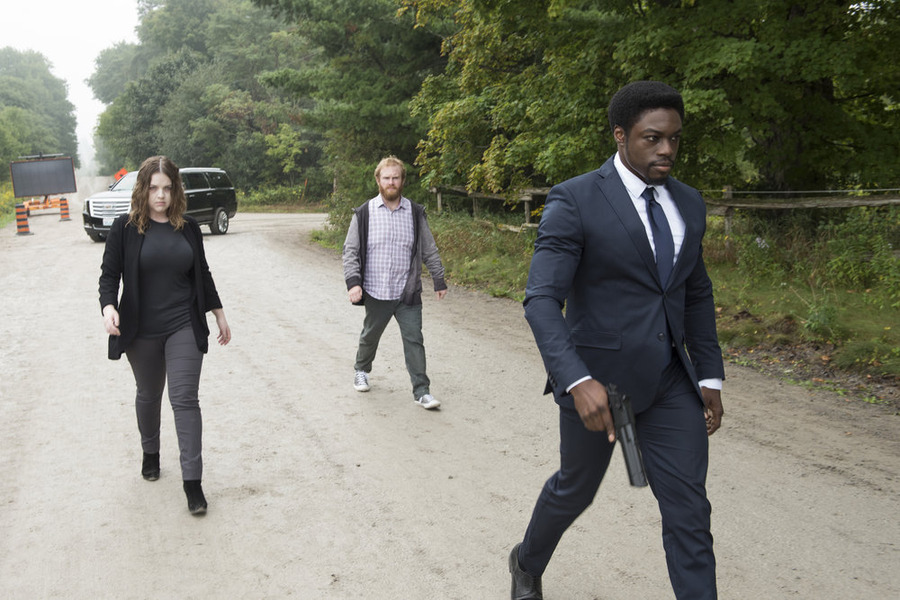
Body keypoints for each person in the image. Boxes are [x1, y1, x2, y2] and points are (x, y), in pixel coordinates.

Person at [508, 81, 725, 599]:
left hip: (670, 381)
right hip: (601, 385)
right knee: (575, 490)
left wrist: (710, 374)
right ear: (621, 135)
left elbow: (695, 291)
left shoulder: (689, 203)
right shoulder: (576, 199)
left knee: (689, 511)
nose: (667, 149)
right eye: (653, 138)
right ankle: (526, 561)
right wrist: (576, 379)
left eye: (675, 138)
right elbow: (541, 299)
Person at [99, 155, 231, 516]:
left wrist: (218, 313)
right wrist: (108, 307)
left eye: (168, 188)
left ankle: (193, 482)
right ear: (143, 189)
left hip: (183, 323)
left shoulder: (188, 228)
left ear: (176, 191)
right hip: (140, 329)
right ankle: (151, 451)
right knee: (148, 394)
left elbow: (202, 273)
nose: (161, 195)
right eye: (154, 188)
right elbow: (109, 275)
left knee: (184, 398)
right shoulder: (124, 228)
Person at [342, 155, 448, 409]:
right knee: (370, 335)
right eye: (387, 178)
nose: (391, 182)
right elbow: (350, 251)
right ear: (378, 180)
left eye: (396, 178)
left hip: (407, 292)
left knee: (414, 340)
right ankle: (361, 370)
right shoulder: (364, 213)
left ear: (402, 181)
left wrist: (438, 278)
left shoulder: (415, 213)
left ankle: (422, 391)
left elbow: (429, 249)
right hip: (376, 290)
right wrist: (353, 283)